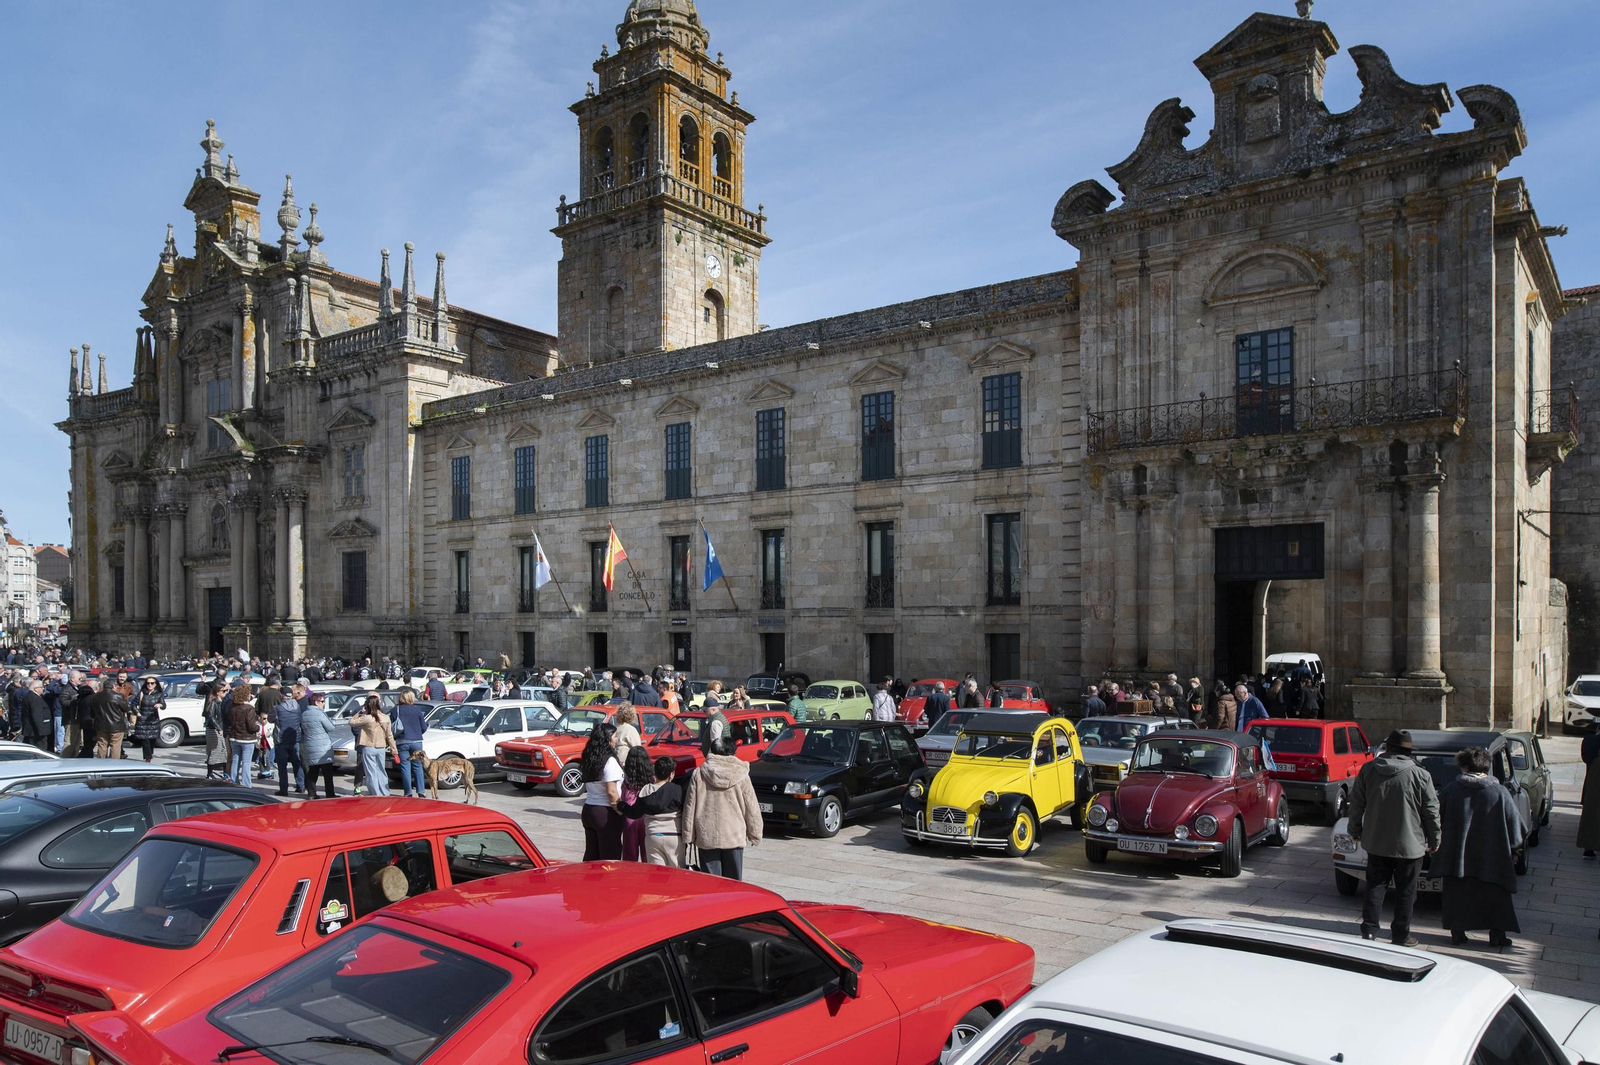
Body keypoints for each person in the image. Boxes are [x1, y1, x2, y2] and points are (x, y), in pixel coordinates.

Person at [1348, 729, 1442, 946]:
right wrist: (1435, 838)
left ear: (1388, 748)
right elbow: (1431, 811)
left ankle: (1369, 931)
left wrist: (1354, 830)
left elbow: (1357, 804)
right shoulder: (1421, 775)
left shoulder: (1369, 769)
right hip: (1410, 846)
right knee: (1406, 892)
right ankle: (1400, 935)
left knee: (1375, 887)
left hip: (1377, 842)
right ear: (1409, 752)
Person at [1434, 747, 1526, 948]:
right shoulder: (1499, 792)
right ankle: (1497, 934)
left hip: (1457, 858)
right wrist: (1515, 849)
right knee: (1496, 896)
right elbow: (1516, 825)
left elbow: (1435, 819)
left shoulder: (1451, 790)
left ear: (1464, 766)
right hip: (1494, 857)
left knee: (1457, 895)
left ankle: (1457, 933)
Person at [681, 736, 763, 880]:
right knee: (734, 881)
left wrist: (688, 834)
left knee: (710, 883)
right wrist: (755, 832)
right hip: (734, 835)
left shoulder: (699, 774)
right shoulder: (742, 775)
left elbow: (690, 806)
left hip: (707, 835)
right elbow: (752, 807)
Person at [618, 756, 686, 867]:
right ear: (671, 774)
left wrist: (621, 805)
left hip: (653, 836)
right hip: (674, 837)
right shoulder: (678, 790)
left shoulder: (646, 790)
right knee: (676, 874)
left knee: (657, 875)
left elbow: (635, 813)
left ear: (655, 772)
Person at [580, 723, 625, 860]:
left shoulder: (590, 758)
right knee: (609, 858)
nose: (616, 739)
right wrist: (620, 811)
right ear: (607, 739)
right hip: (605, 813)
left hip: (589, 810)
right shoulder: (609, 761)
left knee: (592, 856)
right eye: (615, 736)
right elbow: (611, 792)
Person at [348, 695, 398, 797]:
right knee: (381, 771)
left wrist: (360, 712)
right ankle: (385, 792)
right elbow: (389, 735)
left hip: (368, 746)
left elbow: (351, 722)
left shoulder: (367, 718)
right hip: (381, 747)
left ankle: (376, 793)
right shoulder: (386, 718)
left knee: (371, 772)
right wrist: (394, 748)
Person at [618, 747, 656, 862]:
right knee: (647, 854)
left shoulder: (626, 777)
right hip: (646, 816)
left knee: (630, 854)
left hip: (629, 816)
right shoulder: (652, 777)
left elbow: (622, 797)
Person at [392, 689, 430, 797]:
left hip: (402, 740)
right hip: (417, 741)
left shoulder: (396, 709)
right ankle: (421, 791)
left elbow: (391, 726)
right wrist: (417, 733)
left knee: (405, 767)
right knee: (418, 766)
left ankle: (408, 792)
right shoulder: (417, 710)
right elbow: (423, 727)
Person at [275, 682, 308, 796]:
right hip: (295, 738)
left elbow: (270, 719)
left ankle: (283, 789)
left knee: (282, 765)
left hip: (281, 739)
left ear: (281, 695)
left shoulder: (278, 708)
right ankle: (301, 785)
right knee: (296, 762)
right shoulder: (297, 707)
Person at [89, 677, 131, 760]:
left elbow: (92, 710)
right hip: (116, 725)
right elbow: (126, 708)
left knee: (102, 745)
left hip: (100, 725)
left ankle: (101, 764)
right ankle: (114, 765)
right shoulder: (118, 696)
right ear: (113, 686)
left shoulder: (95, 696)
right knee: (115, 746)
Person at [225, 685, 260, 786]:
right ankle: (246, 785)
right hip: (247, 739)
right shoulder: (249, 708)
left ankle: (233, 782)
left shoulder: (232, 707)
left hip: (234, 737)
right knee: (246, 763)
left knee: (235, 761)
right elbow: (251, 726)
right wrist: (258, 728)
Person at [129, 676, 166, 762]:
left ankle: (150, 754)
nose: (149, 685)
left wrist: (160, 705)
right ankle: (148, 758)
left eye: (152, 683)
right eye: (148, 683)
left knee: (152, 740)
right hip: (142, 720)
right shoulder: (142, 693)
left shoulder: (159, 694)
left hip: (153, 720)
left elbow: (164, 705)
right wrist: (137, 713)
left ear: (155, 684)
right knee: (145, 740)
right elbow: (133, 704)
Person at [1579, 730, 1600, 860]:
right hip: (1594, 779)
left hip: (1592, 781)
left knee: (1591, 814)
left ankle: (1588, 847)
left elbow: (1585, 758)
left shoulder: (1589, 740)